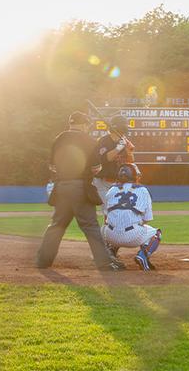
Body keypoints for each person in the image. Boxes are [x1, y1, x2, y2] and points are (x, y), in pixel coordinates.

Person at [36, 111, 125, 271]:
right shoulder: (88, 139)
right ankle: (104, 263)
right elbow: (96, 168)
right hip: (80, 187)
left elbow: (52, 166)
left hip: (61, 187)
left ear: (70, 123)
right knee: (90, 226)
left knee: (57, 225)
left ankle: (42, 261)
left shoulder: (59, 138)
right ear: (85, 124)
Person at [102, 163, 162, 271]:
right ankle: (143, 255)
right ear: (134, 176)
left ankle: (110, 254)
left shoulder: (111, 190)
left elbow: (106, 217)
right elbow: (147, 219)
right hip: (132, 237)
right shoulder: (143, 190)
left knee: (107, 227)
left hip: (110, 236)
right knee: (157, 233)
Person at [93, 115, 135, 215]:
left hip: (118, 182)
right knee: (109, 213)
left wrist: (127, 150)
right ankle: (107, 230)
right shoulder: (104, 141)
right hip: (103, 182)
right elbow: (104, 159)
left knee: (121, 212)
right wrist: (118, 148)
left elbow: (131, 161)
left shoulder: (124, 140)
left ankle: (113, 230)